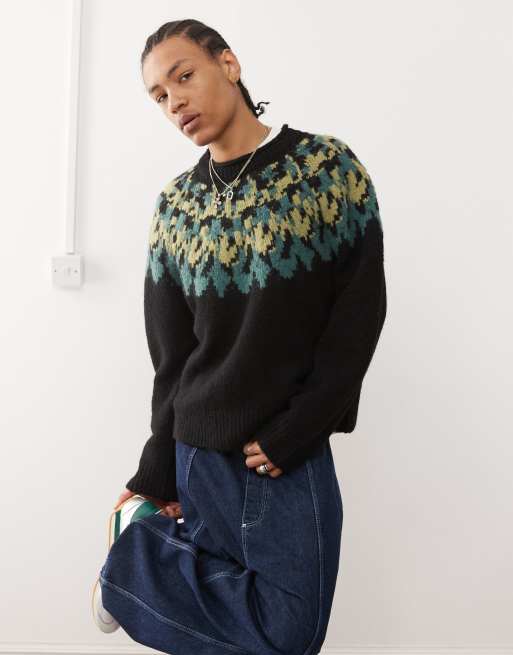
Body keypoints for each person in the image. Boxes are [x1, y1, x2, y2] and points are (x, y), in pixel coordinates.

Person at [98, 18, 387, 655]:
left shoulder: (325, 169)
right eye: (159, 96)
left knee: (290, 632)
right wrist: (156, 471)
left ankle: (132, 567)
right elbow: (171, 356)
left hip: (287, 447)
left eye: (183, 77)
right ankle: (135, 555)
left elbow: (359, 314)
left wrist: (302, 425)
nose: (174, 102)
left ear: (228, 64)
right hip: (200, 453)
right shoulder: (176, 207)